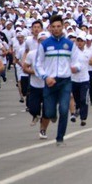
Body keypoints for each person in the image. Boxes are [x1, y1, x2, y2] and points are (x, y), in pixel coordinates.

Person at [34, 15, 78, 146]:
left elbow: (77, 61)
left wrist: (76, 68)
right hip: (50, 81)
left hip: (65, 81)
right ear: (50, 28)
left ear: (63, 27)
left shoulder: (70, 44)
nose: (56, 29)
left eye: (59, 26)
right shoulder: (45, 44)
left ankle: (60, 138)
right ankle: (52, 115)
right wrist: (45, 77)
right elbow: (38, 64)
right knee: (49, 112)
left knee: (64, 109)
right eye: (54, 27)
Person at [70, 33, 92, 127]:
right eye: (78, 41)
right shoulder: (73, 52)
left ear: (84, 42)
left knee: (84, 99)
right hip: (74, 79)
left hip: (84, 79)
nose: (79, 43)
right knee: (76, 98)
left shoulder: (88, 52)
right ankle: (78, 110)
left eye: (81, 41)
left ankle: (83, 118)